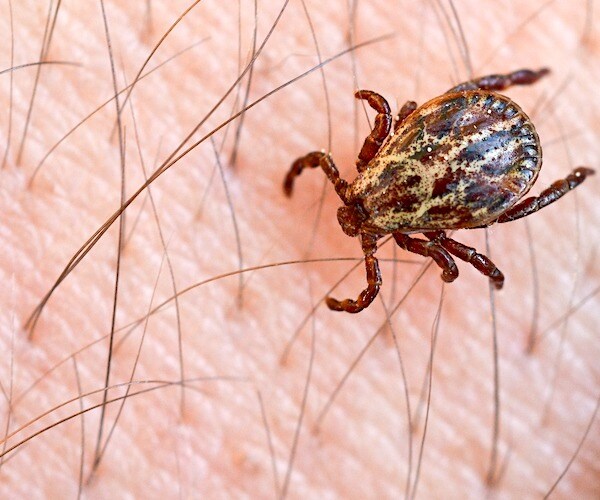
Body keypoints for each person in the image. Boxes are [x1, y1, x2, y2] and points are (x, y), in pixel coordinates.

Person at [1, 1, 597, 497]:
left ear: (372, 152)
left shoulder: (384, 186)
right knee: (464, 126)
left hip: (472, 149)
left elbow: (389, 128)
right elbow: (401, 135)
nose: (349, 213)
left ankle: (565, 172)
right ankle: (551, 134)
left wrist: (453, 262)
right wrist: (463, 262)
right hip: (480, 145)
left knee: (482, 164)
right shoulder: (407, 210)